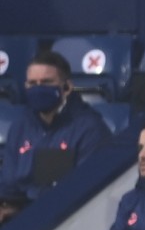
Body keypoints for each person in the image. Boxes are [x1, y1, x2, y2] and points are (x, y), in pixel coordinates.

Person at [0, 51, 110, 200]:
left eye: (46, 82)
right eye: (32, 83)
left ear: (67, 87)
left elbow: (84, 189)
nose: (38, 88)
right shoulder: (20, 127)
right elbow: (7, 184)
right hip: (16, 215)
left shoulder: (90, 129)